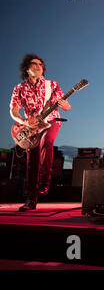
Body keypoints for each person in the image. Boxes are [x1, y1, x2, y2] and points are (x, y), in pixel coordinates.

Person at [10, 54, 71, 211]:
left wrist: (64, 105)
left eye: (41, 64)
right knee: (32, 161)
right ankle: (31, 199)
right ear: (27, 68)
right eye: (34, 63)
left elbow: (66, 106)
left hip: (51, 121)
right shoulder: (19, 88)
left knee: (47, 141)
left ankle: (45, 182)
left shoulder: (52, 85)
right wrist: (24, 122)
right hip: (31, 127)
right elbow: (14, 110)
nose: (38, 66)